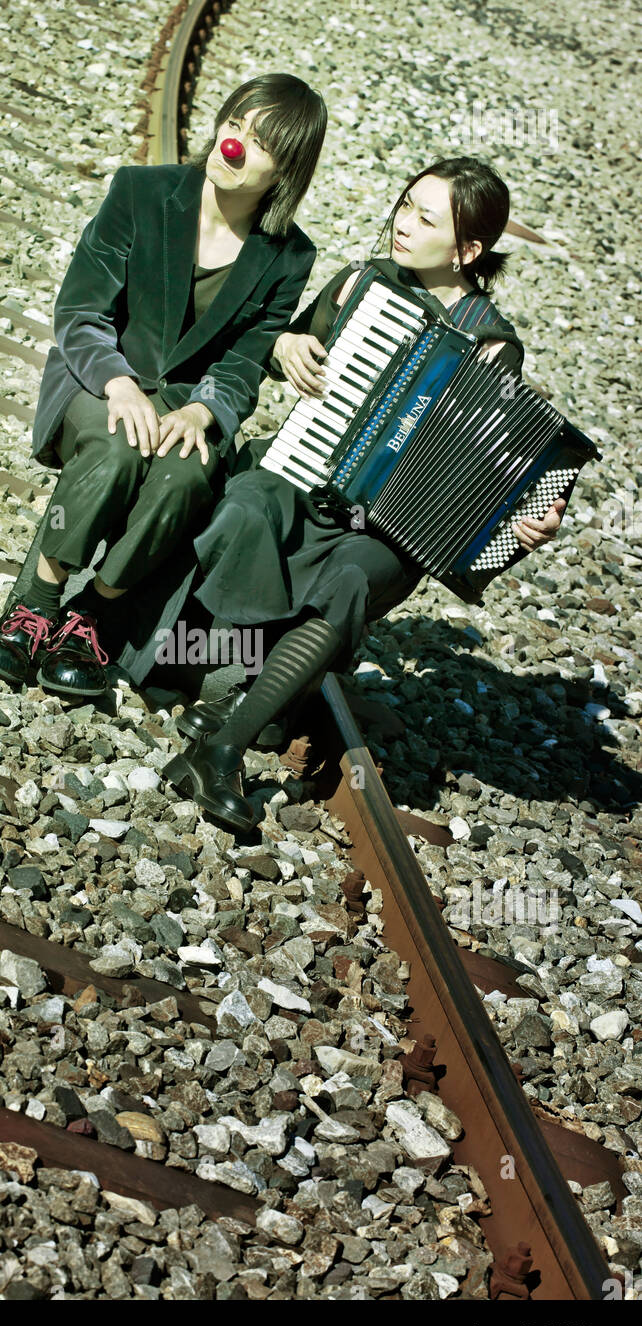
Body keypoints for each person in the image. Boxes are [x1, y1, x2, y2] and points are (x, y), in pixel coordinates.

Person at [163, 156, 568, 831]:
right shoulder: (363, 283)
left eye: (425, 218)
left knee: (353, 575)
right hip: (307, 473)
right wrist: (288, 344)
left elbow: (496, 483)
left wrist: (524, 525)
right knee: (249, 502)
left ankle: (227, 740)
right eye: (405, 205)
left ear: (469, 249)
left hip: (386, 529)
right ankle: (223, 681)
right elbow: (270, 344)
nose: (403, 224)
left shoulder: (493, 347)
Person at [0, 74, 327, 698]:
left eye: (258, 140)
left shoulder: (288, 256)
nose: (232, 143)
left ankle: (94, 616)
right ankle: (34, 605)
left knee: (186, 475)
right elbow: (80, 315)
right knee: (114, 447)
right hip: (96, 378)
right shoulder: (142, 191)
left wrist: (206, 414)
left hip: (185, 404)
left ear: (285, 168)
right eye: (234, 122)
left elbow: (244, 361)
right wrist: (120, 385)